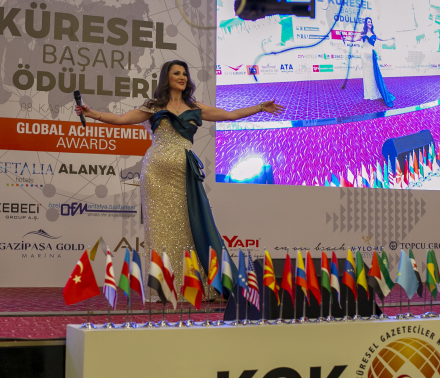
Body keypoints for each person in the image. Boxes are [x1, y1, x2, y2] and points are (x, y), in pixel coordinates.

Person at [74, 60, 284, 298]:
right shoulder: (153, 106)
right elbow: (121, 119)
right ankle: (164, 288)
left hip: (183, 174)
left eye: (185, 73)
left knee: (190, 227)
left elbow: (229, 115)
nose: (182, 77)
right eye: (177, 73)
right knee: (159, 230)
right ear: (167, 77)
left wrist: (260, 107)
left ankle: (193, 286)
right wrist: (92, 114)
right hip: (155, 173)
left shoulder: (195, 107)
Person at [358, 17, 395, 108]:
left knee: (373, 74)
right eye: (368, 22)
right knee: (366, 74)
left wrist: (390, 38)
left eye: (370, 22)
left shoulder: (374, 34)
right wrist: (345, 38)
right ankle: (368, 93)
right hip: (364, 56)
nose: (370, 23)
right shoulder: (363, 33)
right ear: (366, 23)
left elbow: (382, 39)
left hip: (371, 55)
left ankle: (375, 92)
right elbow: (354, 39)